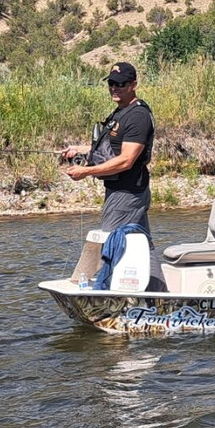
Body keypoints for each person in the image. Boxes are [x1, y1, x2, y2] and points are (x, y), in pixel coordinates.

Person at [61, 62, 165, 290]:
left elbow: (126, 160)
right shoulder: (121, 112)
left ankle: (106, 291)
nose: (114, 88)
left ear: (133, 85)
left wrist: (85, 172)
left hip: (127, 193)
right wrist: (80, 150)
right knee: (143, 243)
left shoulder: (138, 116)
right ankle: (159, 294)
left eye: (121, 84)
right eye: (111, 83)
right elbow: (110, 149)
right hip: (122, 190)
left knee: (111, 241)